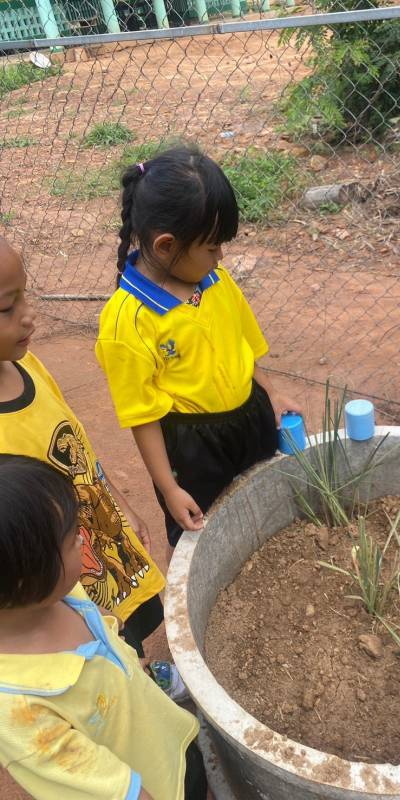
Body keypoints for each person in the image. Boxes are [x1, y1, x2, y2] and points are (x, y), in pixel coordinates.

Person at [96, 145, 301, 550]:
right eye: (211, 247)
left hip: (250, 417)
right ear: (166, 246)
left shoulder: (215, 280)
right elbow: (143, 417)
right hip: (193, 449)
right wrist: (170, 488)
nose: (221, 256)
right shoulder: (128, 322)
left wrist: (272, 391)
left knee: (262, 508)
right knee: (199, 538)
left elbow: (242, 345)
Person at [0, 237, 172, 680]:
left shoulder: (26, 366)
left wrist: (119, 503)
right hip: (58, 573)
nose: (28, 315)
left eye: (24, 295)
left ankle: (146, 677)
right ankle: (131, 687)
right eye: (7, 307)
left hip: (98, 531)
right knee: (103, 647)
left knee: (132, 624)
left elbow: (76, 444)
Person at [0, 454, 207, 800]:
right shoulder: (20, 709)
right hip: (152, 787)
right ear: (24, 580)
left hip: (169, 740)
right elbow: (105, 788)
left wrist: (123, 663)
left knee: (195, 776)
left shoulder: (61, 595)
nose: (83, 539)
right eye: (70, 540)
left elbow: (102, 628)